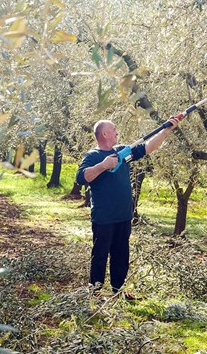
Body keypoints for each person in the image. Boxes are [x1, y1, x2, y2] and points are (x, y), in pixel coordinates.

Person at [75, 117, 179, 297]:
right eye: (114, 129)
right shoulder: (93, 156)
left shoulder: (122, 152)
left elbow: (148, 147)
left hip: (123, 216)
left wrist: (166, 130)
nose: (117, 132)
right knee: (100, 255)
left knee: (121, 255)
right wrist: (103, 165)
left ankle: (118, 289)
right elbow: (81, 178)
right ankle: (95, 292)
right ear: (105, 134)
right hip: (104, 218)